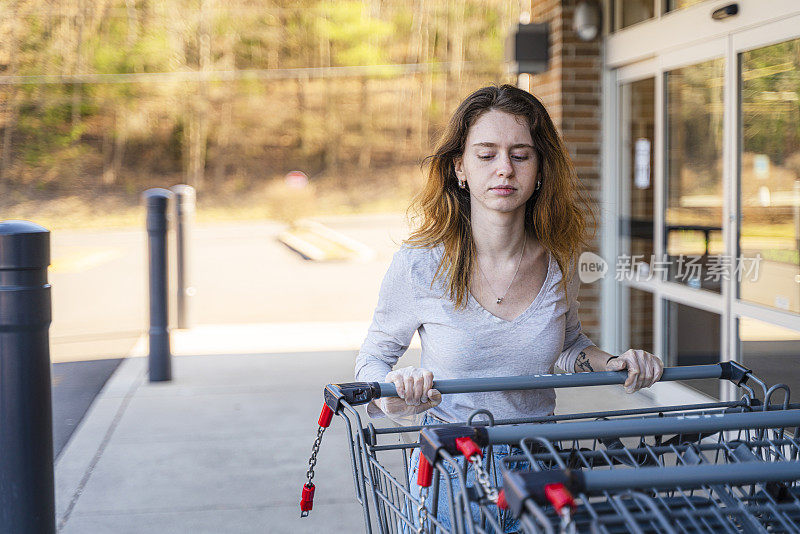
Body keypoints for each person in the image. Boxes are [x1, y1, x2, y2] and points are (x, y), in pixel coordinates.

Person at [354, 84, 664, 531]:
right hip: (451, 470)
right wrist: (394, 393)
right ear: (460, 168)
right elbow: (373, 359)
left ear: (540, 169)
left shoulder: (559, 259)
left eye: (521, 154)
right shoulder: (420, 265)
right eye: (486, 155)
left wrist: (614, 360)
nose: (504, 169)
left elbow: (567, 343)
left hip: (542, 462)